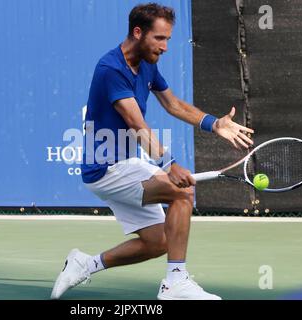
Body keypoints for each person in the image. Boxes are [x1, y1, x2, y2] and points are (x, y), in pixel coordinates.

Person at [51, 3, 254, 300]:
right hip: (105, 169)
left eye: (168, 39)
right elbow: (136, 124)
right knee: (182, 193)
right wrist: (169, 164)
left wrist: (214, 124)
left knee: (159, 242)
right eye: (160, 38)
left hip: (125, 162)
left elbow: (173, 104)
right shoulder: (111, 69)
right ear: (138, 32)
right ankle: (175, 283)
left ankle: (85, 264)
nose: (165, 46)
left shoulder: (147, 62)